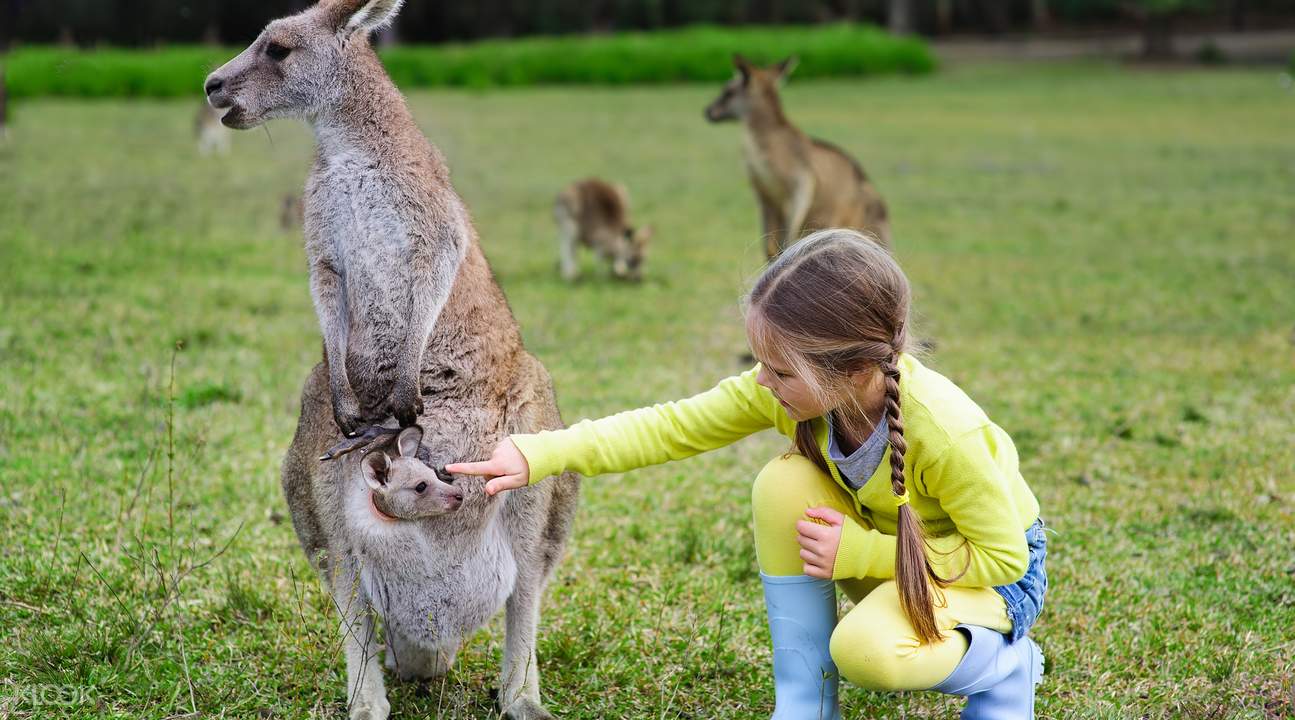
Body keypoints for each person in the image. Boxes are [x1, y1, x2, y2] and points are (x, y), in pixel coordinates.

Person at [447, 228, 1048, 719]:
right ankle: (805, 704)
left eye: (780, 370)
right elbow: (669, 427)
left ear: (855, 368)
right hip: (891, 557)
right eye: (760, 363)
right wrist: (539, 453)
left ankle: (1005, 670)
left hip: (991, 583)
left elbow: (1003, 560)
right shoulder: (796, 394)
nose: (763, 383)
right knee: (781, 484)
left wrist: (865, 552)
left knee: (866, 652)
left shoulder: (946, 433)